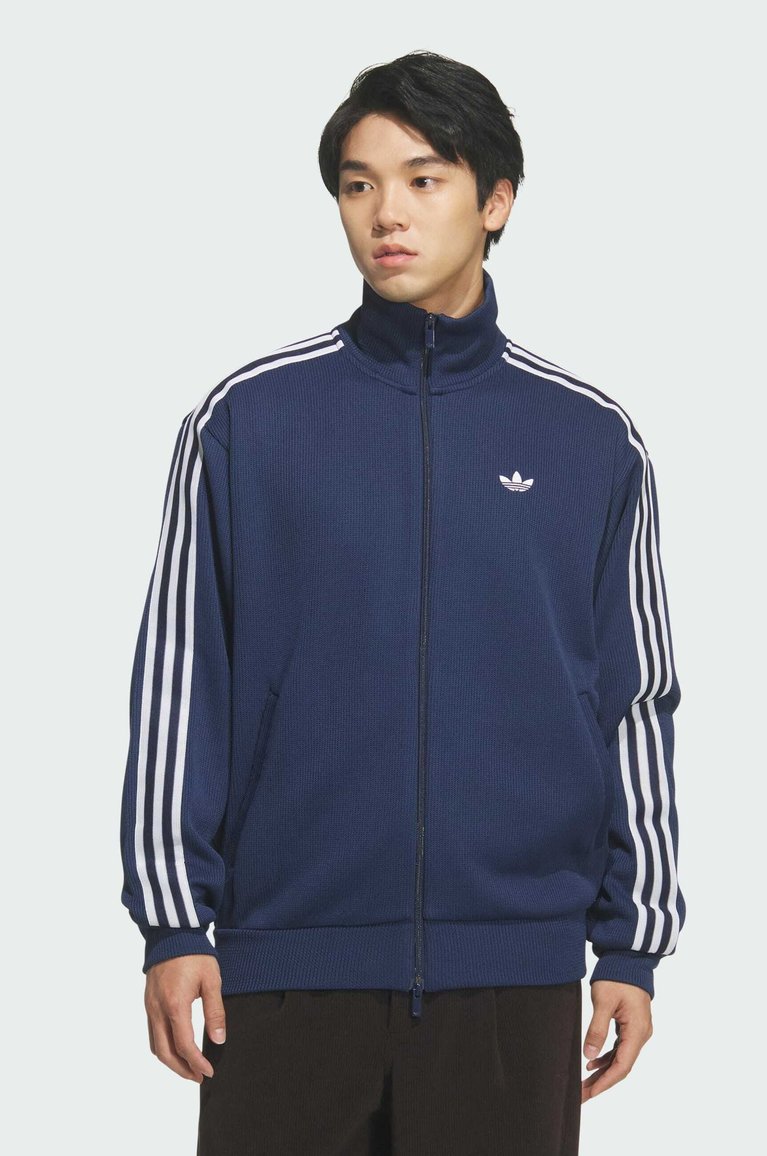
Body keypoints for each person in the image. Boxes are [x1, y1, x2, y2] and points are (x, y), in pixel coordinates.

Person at [119, 50, 686, 1156]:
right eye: (358, 183)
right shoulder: (247, 422)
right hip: (284, 974)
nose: (387, 213)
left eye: (424, 179)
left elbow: (634, 702)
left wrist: (632, 943)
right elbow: (182, 679)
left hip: (511, 979)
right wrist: (174, 922)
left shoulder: (589, 440)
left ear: (496, 201)